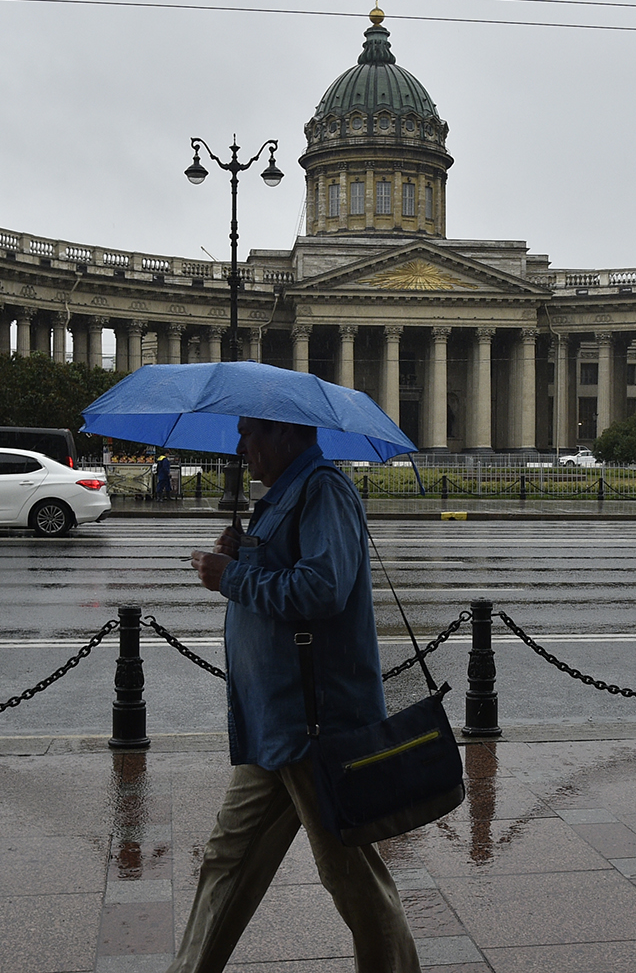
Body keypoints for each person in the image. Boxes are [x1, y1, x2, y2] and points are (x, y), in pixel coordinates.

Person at [177, 416, 419, 973]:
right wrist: (239, 556)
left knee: (351, 879)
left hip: (317, 724)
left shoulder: (323, 489)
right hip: (276, 722)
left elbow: (323, 586)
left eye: (250, 434)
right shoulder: (285, 495)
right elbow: (285, 573)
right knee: (226, 860)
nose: (241, 447)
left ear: (285, 434)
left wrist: (231, 578)